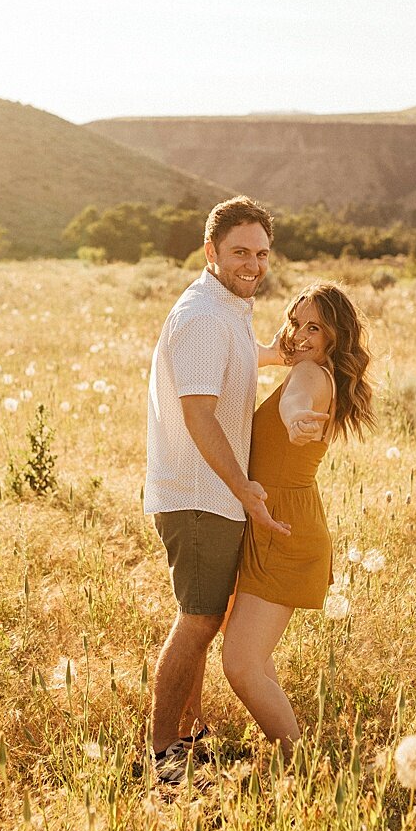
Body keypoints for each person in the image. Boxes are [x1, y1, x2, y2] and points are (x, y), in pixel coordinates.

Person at [144, 196, 325, 785]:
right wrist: (244, 487)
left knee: (205, 613)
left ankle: (191, 736)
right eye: (240, 252)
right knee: (197, 620)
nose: (253, 264)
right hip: (201, 495)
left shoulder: (226, 309)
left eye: (262, 253)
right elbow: (199, 415)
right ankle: (166, 751)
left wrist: (281, 352)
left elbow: (239, 359)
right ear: (211, 252)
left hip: (212, 495)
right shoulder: (201, 316)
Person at [221, 282, 376, 758]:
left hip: (284, 530)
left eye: (316, 327)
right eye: (297, 323)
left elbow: (297, 401)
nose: (304, 335)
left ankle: (301, 765)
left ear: (335, 336)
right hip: (278, 520)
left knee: (241, 664)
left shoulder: (311, 374)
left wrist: (293, 417)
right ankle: (297, 759)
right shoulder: (311, 368)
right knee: (252, 656)